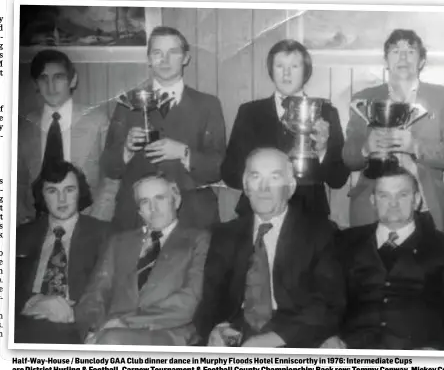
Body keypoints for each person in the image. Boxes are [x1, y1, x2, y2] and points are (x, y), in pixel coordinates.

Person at [196, 148, 344, 348]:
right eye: (255, 177)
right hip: (237, 331)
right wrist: (218, 327)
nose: (263, 188)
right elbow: (211, 299)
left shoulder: (319, 232)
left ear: (290, 187)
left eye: (274, 177)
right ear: (246, 186)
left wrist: (272, 340)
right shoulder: (225, 235)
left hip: (293, 331)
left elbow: (328, 303)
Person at [101, 26, 226, 233]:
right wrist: (127, 151)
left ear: (185, 58)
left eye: (173, 52)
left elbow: (218, 168)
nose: (165, 60)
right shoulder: (128, 103)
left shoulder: (208, 105)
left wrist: (184, 153)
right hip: (136, 215)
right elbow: (108, 167)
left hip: (191, 216)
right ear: (149, 59)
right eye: (157, 53)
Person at [321, 166, 444, 350]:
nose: (393, 203)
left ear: (417, 200)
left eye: (402, 195)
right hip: (353, 351)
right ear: (373, 201)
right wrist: (329, 335)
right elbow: (325, 296)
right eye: (384, 196)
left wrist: (436, 348)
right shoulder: (345, 242)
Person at [343, 29, 444, 231]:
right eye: (395, 51)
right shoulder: (363, 99)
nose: (402, 57)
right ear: (386, 60)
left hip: (425, 206)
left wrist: (416, 147)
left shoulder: (441, 97)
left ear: (422, 61)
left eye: (410, 51)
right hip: (371, 209)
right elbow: (348, 157)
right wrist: (366, 148)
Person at [74, 173, 209, 345]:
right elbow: (95, 294)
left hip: (167, 333)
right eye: (145, 202)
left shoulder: (199, 240)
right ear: (139, 211)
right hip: (109, 331)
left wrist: (128, 322)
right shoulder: (119, 242)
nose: (153, 208)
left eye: (160, 198)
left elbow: (190, 298)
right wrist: (93, 329)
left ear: (176, 200)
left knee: (111, 341)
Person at [220, 39, 349, 218]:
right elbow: (229, 173)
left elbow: (338, 179)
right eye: (280, 66)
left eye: (294, 66)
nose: (286, 73)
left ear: (306, 71)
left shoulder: (326, 113)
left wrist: (322, 151)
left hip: (309, 216)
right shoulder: (249, 113)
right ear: (271, 70)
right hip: (257, 214)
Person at [14, 161, 111, 344]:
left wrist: (75, 313)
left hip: (73, 325)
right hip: (23, 321)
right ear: (42, 196)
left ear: (80, 192)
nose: (61, 199)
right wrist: (32, 302)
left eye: (69, 190)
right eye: (52, 191)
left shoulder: (104, 234)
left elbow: (111, 289)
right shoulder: (20, 234)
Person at [17, 49, 114, 224]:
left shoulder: (97, 120)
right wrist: (23, 221)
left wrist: (96, 221)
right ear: (35, 84)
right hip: (37, 223)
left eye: (59, 77)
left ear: (73, 80)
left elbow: (110, 179)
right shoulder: (26, 125)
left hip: (87, 218)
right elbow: (18, 181)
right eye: (43, 78)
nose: (51, 86)